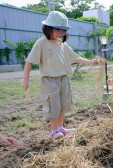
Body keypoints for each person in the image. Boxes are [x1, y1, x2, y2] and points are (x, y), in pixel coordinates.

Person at [22, 11, 102, 139]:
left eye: (63, 30)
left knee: (63, 104)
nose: (61, 33)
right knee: (53, 105)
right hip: (49, 80)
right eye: (59, 30)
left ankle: (60, 127)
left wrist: (92, 62)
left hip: (63, 79)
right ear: (48, 28)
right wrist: (25, 80)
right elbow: (29, 62)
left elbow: (76, 58)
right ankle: (54, 130)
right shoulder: (41, 43)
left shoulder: (63, 45)